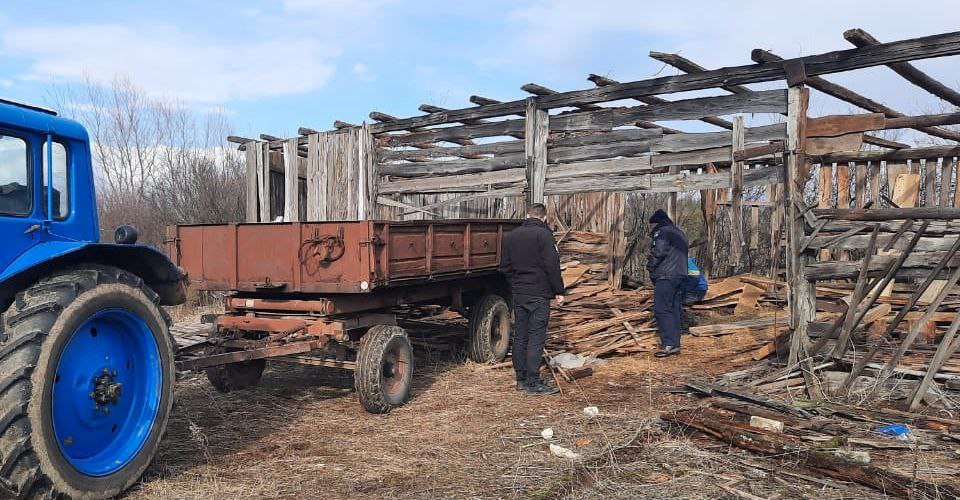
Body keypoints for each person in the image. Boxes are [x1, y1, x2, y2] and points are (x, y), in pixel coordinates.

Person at [500, 203, 565, 395]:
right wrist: (559, 291)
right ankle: (533, 381)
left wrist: (516, 284)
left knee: (520, 336)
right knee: (536, 338)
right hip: (539, 293)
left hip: (519, 293)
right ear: (544, 217)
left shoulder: (512, 236)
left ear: (527, 215)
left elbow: (505, 267)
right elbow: (552, 266)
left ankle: (520, 380)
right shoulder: (544, 235)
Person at [646, 209, 688, 358]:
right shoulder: (678, 232)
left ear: (656, 223)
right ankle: (675, 343)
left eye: (651, 225)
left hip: (666, 276)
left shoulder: (662, 232)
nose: (650, 229)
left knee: (662, 309)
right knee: (674, 308)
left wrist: (650, 267)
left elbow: (658, 252)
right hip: (680, 275)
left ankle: (668, 344)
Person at [680, 257, 708, 332]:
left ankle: (686, 324)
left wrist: (683, 290)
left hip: (696, 290)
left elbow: (694, 277)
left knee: (676, 305)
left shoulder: (685, 261)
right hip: (694, 288)